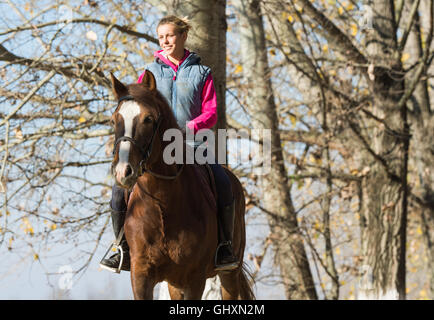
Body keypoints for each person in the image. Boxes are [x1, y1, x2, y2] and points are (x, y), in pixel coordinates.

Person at [100, 15, 239, 273]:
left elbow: (211, 112)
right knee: (120, 189)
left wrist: (188, 128)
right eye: (161, 36)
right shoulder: (149, 73)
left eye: (170, 35)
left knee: (222, 181)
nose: (165, 40)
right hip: (156, 150)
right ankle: (122, 248)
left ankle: (225, 247)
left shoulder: (202, 72)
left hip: (194, 145)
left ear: (183, 36)